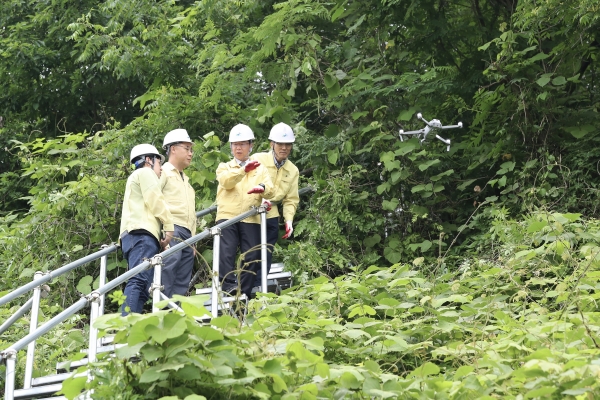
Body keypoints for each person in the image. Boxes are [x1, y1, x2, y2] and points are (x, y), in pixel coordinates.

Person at [215, 123, 274, 298]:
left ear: (250, 146)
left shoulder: (260, 168)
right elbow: (226, 182)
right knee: (226, 253)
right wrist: (242, 171)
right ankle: (228, 287)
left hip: (251, 216)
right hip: (228, 216)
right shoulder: (224, 166)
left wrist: (262, 187)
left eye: (242, 144)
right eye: (235, 144)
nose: (238, 147)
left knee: (252, 255)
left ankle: (244, 293)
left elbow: (271, 189)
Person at [119, 144, 174, 314]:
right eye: (159, 163)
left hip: (134, 235)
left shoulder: (136, 177)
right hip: (142, 235)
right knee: (139, 281)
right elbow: (155, 200)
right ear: (149, 160)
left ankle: (131, 323)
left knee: (142, 285)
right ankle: (127, 324)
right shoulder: (145, 172)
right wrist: (169, 227)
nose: (161, 169)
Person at [252, 123, 299, 288]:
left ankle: (259, 288)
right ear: (272, 143)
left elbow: (290, 199)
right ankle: (244, 287)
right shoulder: (258, 159)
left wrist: (289, 221)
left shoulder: (293, 170)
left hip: (272, 214)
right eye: (280, 144)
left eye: (288, 144)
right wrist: (260, 197)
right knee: (251, 253)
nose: (284, 148)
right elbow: (246, 183)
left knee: (266, 253)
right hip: (252, 213)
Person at [160, 129, 196, 298]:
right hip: (171, 228)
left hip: (187, 232)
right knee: (169, 268)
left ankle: (175, 314)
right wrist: (163, 230)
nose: (190, 153)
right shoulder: (163, 172)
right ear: (173, 149)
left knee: (183, 276)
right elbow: (154, 201)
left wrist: (194, 239)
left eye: (191, 149)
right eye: (187, 148)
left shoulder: (186, 180)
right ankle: (162, 313)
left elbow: (192, 213)